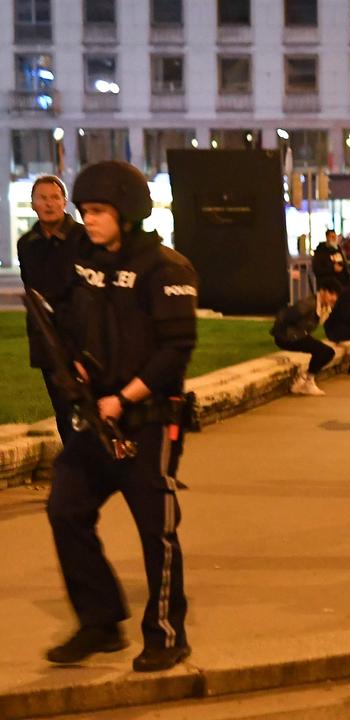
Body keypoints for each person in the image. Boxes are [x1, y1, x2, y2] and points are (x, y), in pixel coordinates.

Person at [45, 160, 197, 671]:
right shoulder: (86, 262)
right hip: (97, 418)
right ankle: (100, 621)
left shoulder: (165, 268)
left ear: (126, 214)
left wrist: (124, 397)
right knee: (65, 508)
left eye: (99, 212)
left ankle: (166, 634)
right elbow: (75, 323)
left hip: (149, 420)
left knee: (157, 531)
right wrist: (83, 369)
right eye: (85, 211)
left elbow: (176, 350)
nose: (88, 220)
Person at [17, 175, 85, 443]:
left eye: (54, 197)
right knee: (62, 407)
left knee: (88, 404)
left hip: (80, 335)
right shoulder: (27, 244)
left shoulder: (82, 238)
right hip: (46, 337)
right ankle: (76, 467)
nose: (48, 203)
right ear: (33, 204)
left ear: (64, 202)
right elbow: (30, 287)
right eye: (42, 198)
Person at [270, 278, 342, 395]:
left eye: (336, 295)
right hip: (288, 338)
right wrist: (282, 334)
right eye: (331, 293)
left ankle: (306, 379)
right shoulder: (309, 304)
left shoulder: (324, 307)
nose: (334, 298)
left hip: (298, 336)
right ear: (322, 291)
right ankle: (306, 380)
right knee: (325, 351)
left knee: (326, 351)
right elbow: (284, 315)